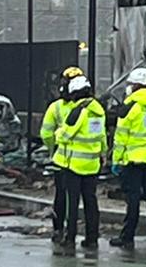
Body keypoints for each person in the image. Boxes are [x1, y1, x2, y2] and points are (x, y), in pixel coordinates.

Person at [110, 66, 146, 249]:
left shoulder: (129, 109)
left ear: (135, 86)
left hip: (132, 161)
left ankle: (127, 237)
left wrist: (116, 161)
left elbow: (120, 138)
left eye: (130, 84)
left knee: (133, 200)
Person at [54, 73, 106, 249]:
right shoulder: (98, 111)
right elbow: (102, 137)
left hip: (74, 165)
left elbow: (66, 135)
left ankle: (70, 237)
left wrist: (58, 132)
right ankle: (92, 238)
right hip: (92, 164)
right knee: (91, 202)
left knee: (72, 202)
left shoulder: (78, 111)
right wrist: (103, 153)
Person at [43, 65, 85, 238]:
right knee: (83, 198)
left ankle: (59, 228)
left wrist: (52, 149)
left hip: (62, 158)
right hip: (86, 159)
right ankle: (78, 231)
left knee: (61, 195)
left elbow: (46, 133)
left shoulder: (56, 107)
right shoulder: (89, 106)